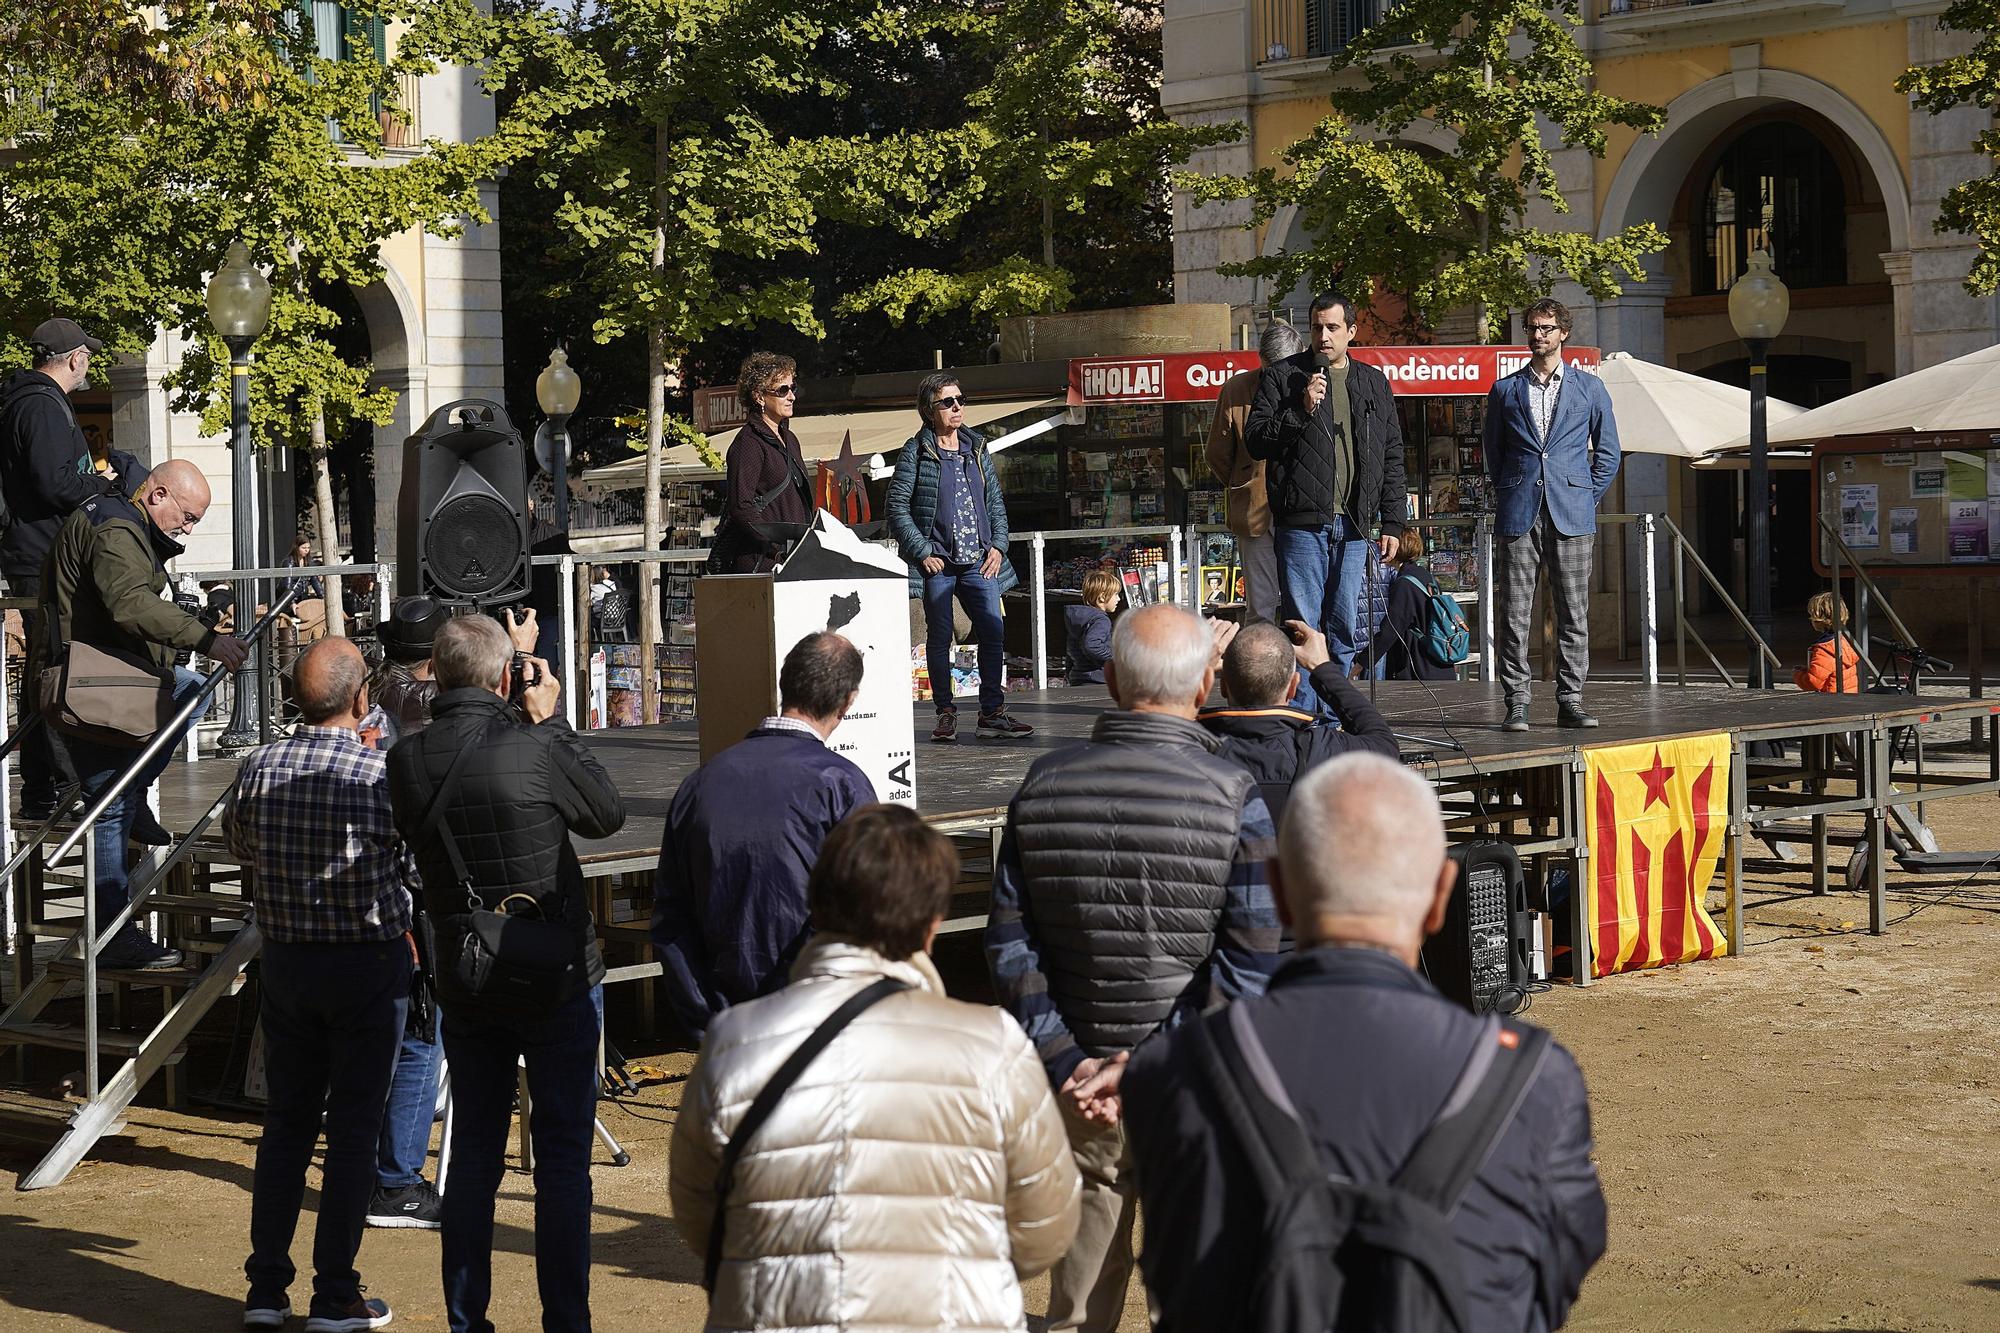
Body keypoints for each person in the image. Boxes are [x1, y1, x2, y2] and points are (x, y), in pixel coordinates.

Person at [1121, 753, 1609, 1332]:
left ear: (1277, 890)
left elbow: (1177, 1275)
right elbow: (1563, 1260)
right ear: (1441, 895)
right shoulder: (1535, 1081)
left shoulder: (1172, 1072)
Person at [984, 602, 1287, 1333]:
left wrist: (1066, 1059)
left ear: (1112, 679)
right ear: (1207, 682)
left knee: (1079, 1306)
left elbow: (1007, 944)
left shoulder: (1040, 787)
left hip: (1079, 1087)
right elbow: (1248, 966)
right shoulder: (1236, 799)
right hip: (1194, 1080)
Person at [671, 804, 1082, 1333]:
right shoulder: (993, 1046)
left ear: (817, 904)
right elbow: (1043, 1225)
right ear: (933, 922)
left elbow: (701, 1213)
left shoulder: (733, 1040)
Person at [386, 615, 625, 1333]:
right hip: (556, 972)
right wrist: (549, 722)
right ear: (504, 678)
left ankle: (468, 1320)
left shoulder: (407, 760)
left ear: (433, 669)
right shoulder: (536, 744)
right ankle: (566, 1323)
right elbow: (606, 814)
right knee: (560, 1163)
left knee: (473, 1160)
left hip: (468, 975)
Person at [227, 638, 415, 1333]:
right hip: (366, 963)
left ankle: (266, 1287)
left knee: (287, 1125)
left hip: (288, 962)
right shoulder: (378, 771)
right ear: (362, 697)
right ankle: (335, 1290)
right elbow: (411, 857)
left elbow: (240, 844)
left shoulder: (259, 764)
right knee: (355, 1128)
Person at [38, 459, 248, 969]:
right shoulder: (115, 528)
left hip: (105, 676)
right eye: (188, 515)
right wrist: (206, 638)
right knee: (106, 806)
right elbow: (128, 603)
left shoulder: (119, 521)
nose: (189, 529)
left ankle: (135, 798)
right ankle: (112, 937)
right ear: (157, 494)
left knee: (191, 691)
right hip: (91, 683)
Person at [651, 631, 874, 1043]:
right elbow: (864, 914)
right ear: (848, 702)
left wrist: (707, 1017)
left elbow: (671, 915)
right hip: (813, 1028)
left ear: (784, 684)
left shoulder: (700, 783)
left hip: (725, 1023)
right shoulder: (842, 784)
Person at [0, 317, 146, 821]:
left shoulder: (34, 400)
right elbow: (54, 482)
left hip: (38, 552)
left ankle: (51, 787)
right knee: (59, 670)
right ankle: (59, 786)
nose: (90, 365)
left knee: (52, 667)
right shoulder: (40, 404)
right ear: (75, 358)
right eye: (88, 356)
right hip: (43, 555)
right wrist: (105, 486)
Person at [1244, 291, 1407, 674]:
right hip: (1302, 525)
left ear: (1351, 331)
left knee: (1343, 627)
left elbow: (1392, 455)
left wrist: (1393, 521)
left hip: (1355, 526)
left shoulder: (1373, 383)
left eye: (1333, 327)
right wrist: (1299, 410)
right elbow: (1255, 440)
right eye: (1317, 328)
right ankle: (1307, 720)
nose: (1324, 336)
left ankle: (1337, 718)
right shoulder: (1282, 377)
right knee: (1303, 629)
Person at [1484, 297, 1622, 732]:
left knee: (1574, 612)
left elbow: (1609, 453)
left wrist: (1585, 495)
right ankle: (1517, 701)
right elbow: (1495, 455)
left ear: (1564, 333)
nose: (1538, 336)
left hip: (1572, 515)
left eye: (1546, 328)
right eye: (1532, 328)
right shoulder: (1505, 390)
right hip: (1519, 512)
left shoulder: (1589, 388)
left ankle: (1571, 699)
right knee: (1514, 614)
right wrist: (1511, 489)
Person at [887, 370, 1034, 744]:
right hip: (938, 561)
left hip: (981, 561)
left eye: (960, 400)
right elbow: (896, 506)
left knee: (993, 633)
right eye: (947, 402)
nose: (957, 407)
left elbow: (995, 503)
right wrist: (921, 551)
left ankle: (992, 713)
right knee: (940, 638)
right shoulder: (916, 450)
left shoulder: (978, 447)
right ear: (928, 409)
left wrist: (999, 546)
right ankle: (946, 712)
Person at [1197, 619, 1398, 819]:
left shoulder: (1190, 746)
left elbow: (1165, 721)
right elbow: (1385, 745)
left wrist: (1197, 671)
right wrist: (1322, 668)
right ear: (1293, 687)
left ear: (1222, 686)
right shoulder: (1319, 748)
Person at [1204, 320, 1305, 622]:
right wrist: (1242, 480)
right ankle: (1261, 667)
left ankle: (1301, 666)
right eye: (1272, 368)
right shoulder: (1236, 389)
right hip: (1256, 509)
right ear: (1260, 359)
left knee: (1298, 603)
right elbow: (1217, 453)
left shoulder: (1308, 386)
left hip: (1298, 507)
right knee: (1263, 606)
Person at [711, 351, 813, 574]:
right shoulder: (748, 443)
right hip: (762, 562)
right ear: (759, 396)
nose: (791, 396)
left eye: (792, 388)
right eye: (782, 390)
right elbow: (741, 507)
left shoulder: (790, 439)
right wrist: (775, 548)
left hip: (795, 557)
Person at [1372, 526, 1458, 682]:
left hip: (1418, 668)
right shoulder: (1425, 576)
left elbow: (1391, 629)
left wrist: (1363, 661)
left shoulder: (1404, 584)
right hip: (1437, 661)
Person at [1794, 591, 1861, 693]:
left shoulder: (1825, 649)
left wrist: (1798, 675)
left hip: (1830, 701)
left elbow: (1812, 683)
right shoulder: (1843, 641)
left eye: (1811, 616)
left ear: (1819, 619)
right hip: (1847, 697)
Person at [1063, 567, 1120, 685]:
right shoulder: (1101, 620)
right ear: (1102, 597)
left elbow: (1070, 650)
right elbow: (1092, 645)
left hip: (1079, 679)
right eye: (1115, 594)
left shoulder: (1080, 621)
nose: (1118, 599)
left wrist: (1069, 673)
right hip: (1097, 681)